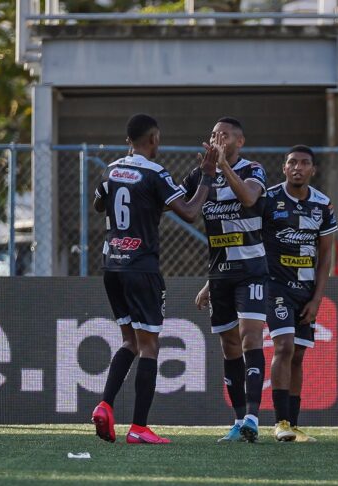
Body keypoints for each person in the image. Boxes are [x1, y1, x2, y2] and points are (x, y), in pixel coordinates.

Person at [91, 114, 216, 444]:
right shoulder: (155, 172)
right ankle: (139, 427)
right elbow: (190, 212)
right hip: (141, 268)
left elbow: (99, 203)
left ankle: (105, 404)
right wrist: (206, 177)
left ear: (128, 140)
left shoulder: (110, 169)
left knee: (129, 342)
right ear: (154, 139)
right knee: (149, 346)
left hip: (112, 266)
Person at [185, 117, 268, 443]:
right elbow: (180, 205)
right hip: (220, 274)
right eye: (213, 134)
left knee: (250, 338)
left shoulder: (253, 170)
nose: (217, 139)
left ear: (239, 142)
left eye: (224, 135)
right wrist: (208, 173)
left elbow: (248, 198)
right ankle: (238, 421)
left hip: (251, 270)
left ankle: (253, 417)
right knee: (230, 346)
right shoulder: (199, 175)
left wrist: (223, 167)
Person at [262, 146, 336, 442]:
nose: (297, 167)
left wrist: (317, 299)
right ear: (284, 168)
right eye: (292, 162)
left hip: (305, 290)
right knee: (284, 347)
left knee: (298, 355)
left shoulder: (323, 204)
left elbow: (326, 256)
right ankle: (279, 422)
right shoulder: (269, 199)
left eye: (304, 163)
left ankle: (292, 424)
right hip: (275, 286)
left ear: (313, 170)